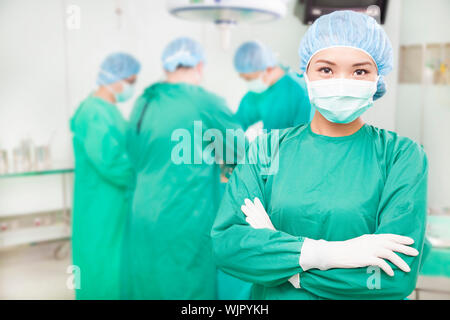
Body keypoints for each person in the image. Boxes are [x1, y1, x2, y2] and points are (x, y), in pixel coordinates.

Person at [211, 10, 430, 300]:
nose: (342, 81)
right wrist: (325, 254)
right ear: (306, 73)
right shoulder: (266, 149)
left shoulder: (401, 156)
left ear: (378, 79)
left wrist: (289, 266)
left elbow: (393, 279)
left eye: (360, 71)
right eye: (326, 69)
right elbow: (228, 245)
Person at [123, 37, 246, 299]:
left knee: (149, 283)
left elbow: (134, 154)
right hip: (183, 216)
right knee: (185, 286)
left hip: (143, 212)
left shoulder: (144, 101)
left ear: (167, 67)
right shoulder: (204, 102)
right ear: (200, 66)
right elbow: (240, 153)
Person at [70, 52, 140, 300]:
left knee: (115, 261)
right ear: (115, 78)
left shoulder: (108, 109)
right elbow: (108, 160)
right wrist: (142, 177)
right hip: (100, 203)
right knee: (99, 261)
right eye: (130, 81)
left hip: (113, 202)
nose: (131, 87)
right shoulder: (93, 112)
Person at [233, 41, 313, 131]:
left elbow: (304, 138)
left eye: (250, 79)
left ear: (269, 70)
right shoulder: (257, 93)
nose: (249, 83)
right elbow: (236, 125)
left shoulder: (301, 92)